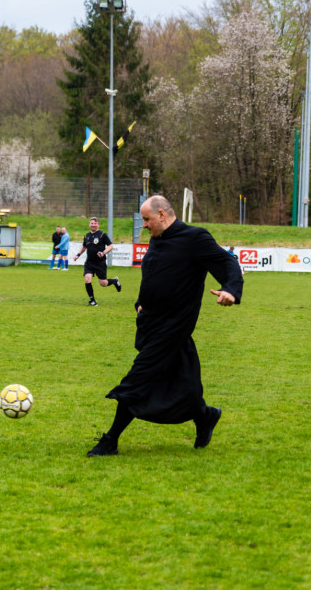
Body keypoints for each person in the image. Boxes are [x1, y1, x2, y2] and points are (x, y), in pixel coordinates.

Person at [87, 196, 243, 457]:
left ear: (162, 214)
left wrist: (231, 290)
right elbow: (152, 277)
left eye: (146, 219)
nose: (144, 225)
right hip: (151, 324)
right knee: (182, 383)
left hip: (174, 327)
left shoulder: (194, 237)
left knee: (138, 379)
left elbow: (227, 262)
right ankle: (204, 415)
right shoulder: (156, 240)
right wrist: (140, 304)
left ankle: (110, 440)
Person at [74, 217, 121, 306]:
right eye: (92, 223)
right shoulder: (86, 235)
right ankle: (92, 301)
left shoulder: (102, 235)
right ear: (89, 224)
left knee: (103, 283)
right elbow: (84, 246)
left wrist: (103, 253)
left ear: (98, 225)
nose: (93, 225)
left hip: (100, 263)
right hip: (89, 262)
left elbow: (110, 246)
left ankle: (114, 281)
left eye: (95, 223)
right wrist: (78, 255)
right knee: (87, 279)